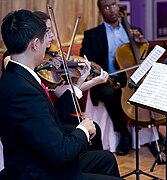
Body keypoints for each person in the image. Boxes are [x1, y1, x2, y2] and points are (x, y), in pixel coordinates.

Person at [0, 9, 121, 179]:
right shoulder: (22, 91)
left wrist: (78, 85)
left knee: (105, 160)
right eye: (44, 38)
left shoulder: (17, 76)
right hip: (38, 171)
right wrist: (83, 130)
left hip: (41, 158)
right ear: (35, 44)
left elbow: (47, 120)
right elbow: (60, 152)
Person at [33, 10, 109, 151]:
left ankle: (93, 166)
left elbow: (65, 91)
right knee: (89, 129)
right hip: (49, 119)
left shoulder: (52, 57)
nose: (52, 36)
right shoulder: (31, 64)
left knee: (94, 128)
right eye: (47, 31)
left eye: (51, 31)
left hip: (57, 113)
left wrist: (92, 81)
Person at [80, 0, 147, 156]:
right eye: (106, 7)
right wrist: (92, 65)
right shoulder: (92, 35)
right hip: (107, 79)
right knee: (111, 94)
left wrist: (141, 44)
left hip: (130, 77)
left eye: (114, 4)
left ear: (119, 7)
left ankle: (152, 132)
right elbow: (85, 59)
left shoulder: (133, 31)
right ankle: (124, 133)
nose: (111, 9)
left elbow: (143, 58)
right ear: (101, 12)